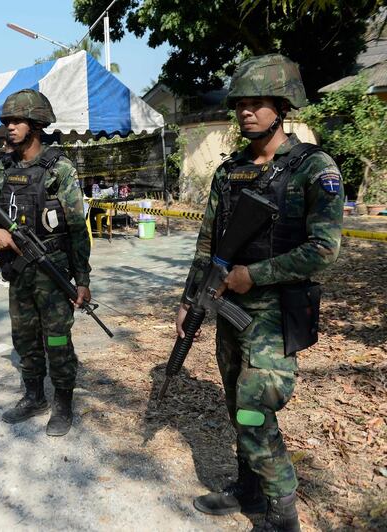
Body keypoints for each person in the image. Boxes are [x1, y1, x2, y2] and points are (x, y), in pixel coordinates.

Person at [177, 54, 343, 532]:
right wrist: (190, 302)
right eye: (241, 104)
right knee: (235, 401)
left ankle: (282, 514)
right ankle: (249, 488)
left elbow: (325, 250)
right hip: (229, 310)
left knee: (254, 408)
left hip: (274, 313)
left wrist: (257, 274)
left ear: (282, 106)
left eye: (258, 103)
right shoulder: (229, 172)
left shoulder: (315, 168)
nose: (246, 112)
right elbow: (207, 242)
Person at [0, 89, 91, 437]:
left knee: (58, 339)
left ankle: (62, 402)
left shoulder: (59, 168)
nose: (10, 128)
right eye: (6, 122)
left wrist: (82, 279)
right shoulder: (3, 167)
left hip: (52, 267)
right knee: (24, 337)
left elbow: (77, 228)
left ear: (35, 124)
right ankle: (34, 396)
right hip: (18, 271)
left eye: (16, 121)